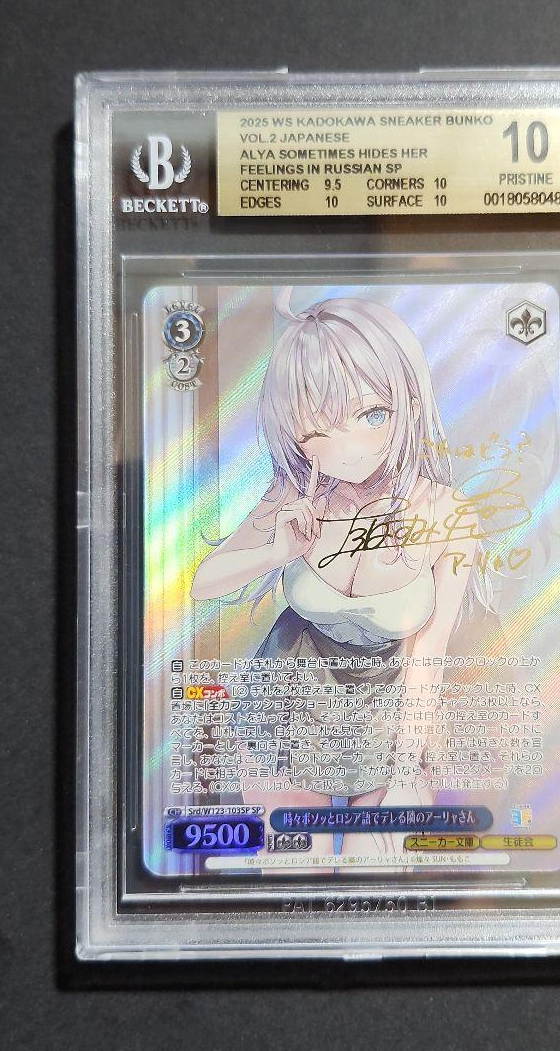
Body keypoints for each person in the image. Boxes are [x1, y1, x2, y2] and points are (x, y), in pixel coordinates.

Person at [191, 289, 484, 859]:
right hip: (285, 702)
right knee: (292, 873)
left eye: (371, 414)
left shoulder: (447, 514)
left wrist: (407, 764)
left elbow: (429, 654)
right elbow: (205, 583)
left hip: (388, 711)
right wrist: (275, 552)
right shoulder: (294, 495)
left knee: (380, 871)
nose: (348, 447)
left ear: (408, 403)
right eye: (316, 427)